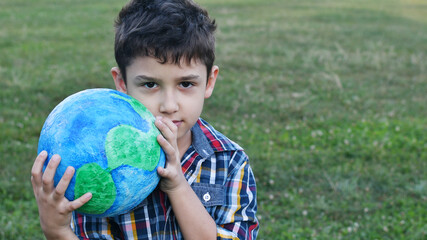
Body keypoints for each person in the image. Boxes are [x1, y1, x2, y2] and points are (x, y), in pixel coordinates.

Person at [31, 0, 259, 239]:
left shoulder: (230, 162)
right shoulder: (100, 162)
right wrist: (56, 230)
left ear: (209, 82)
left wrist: (178, 186)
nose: (169, 106)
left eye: (186, 84)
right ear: (122, 84)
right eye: (150, 84)